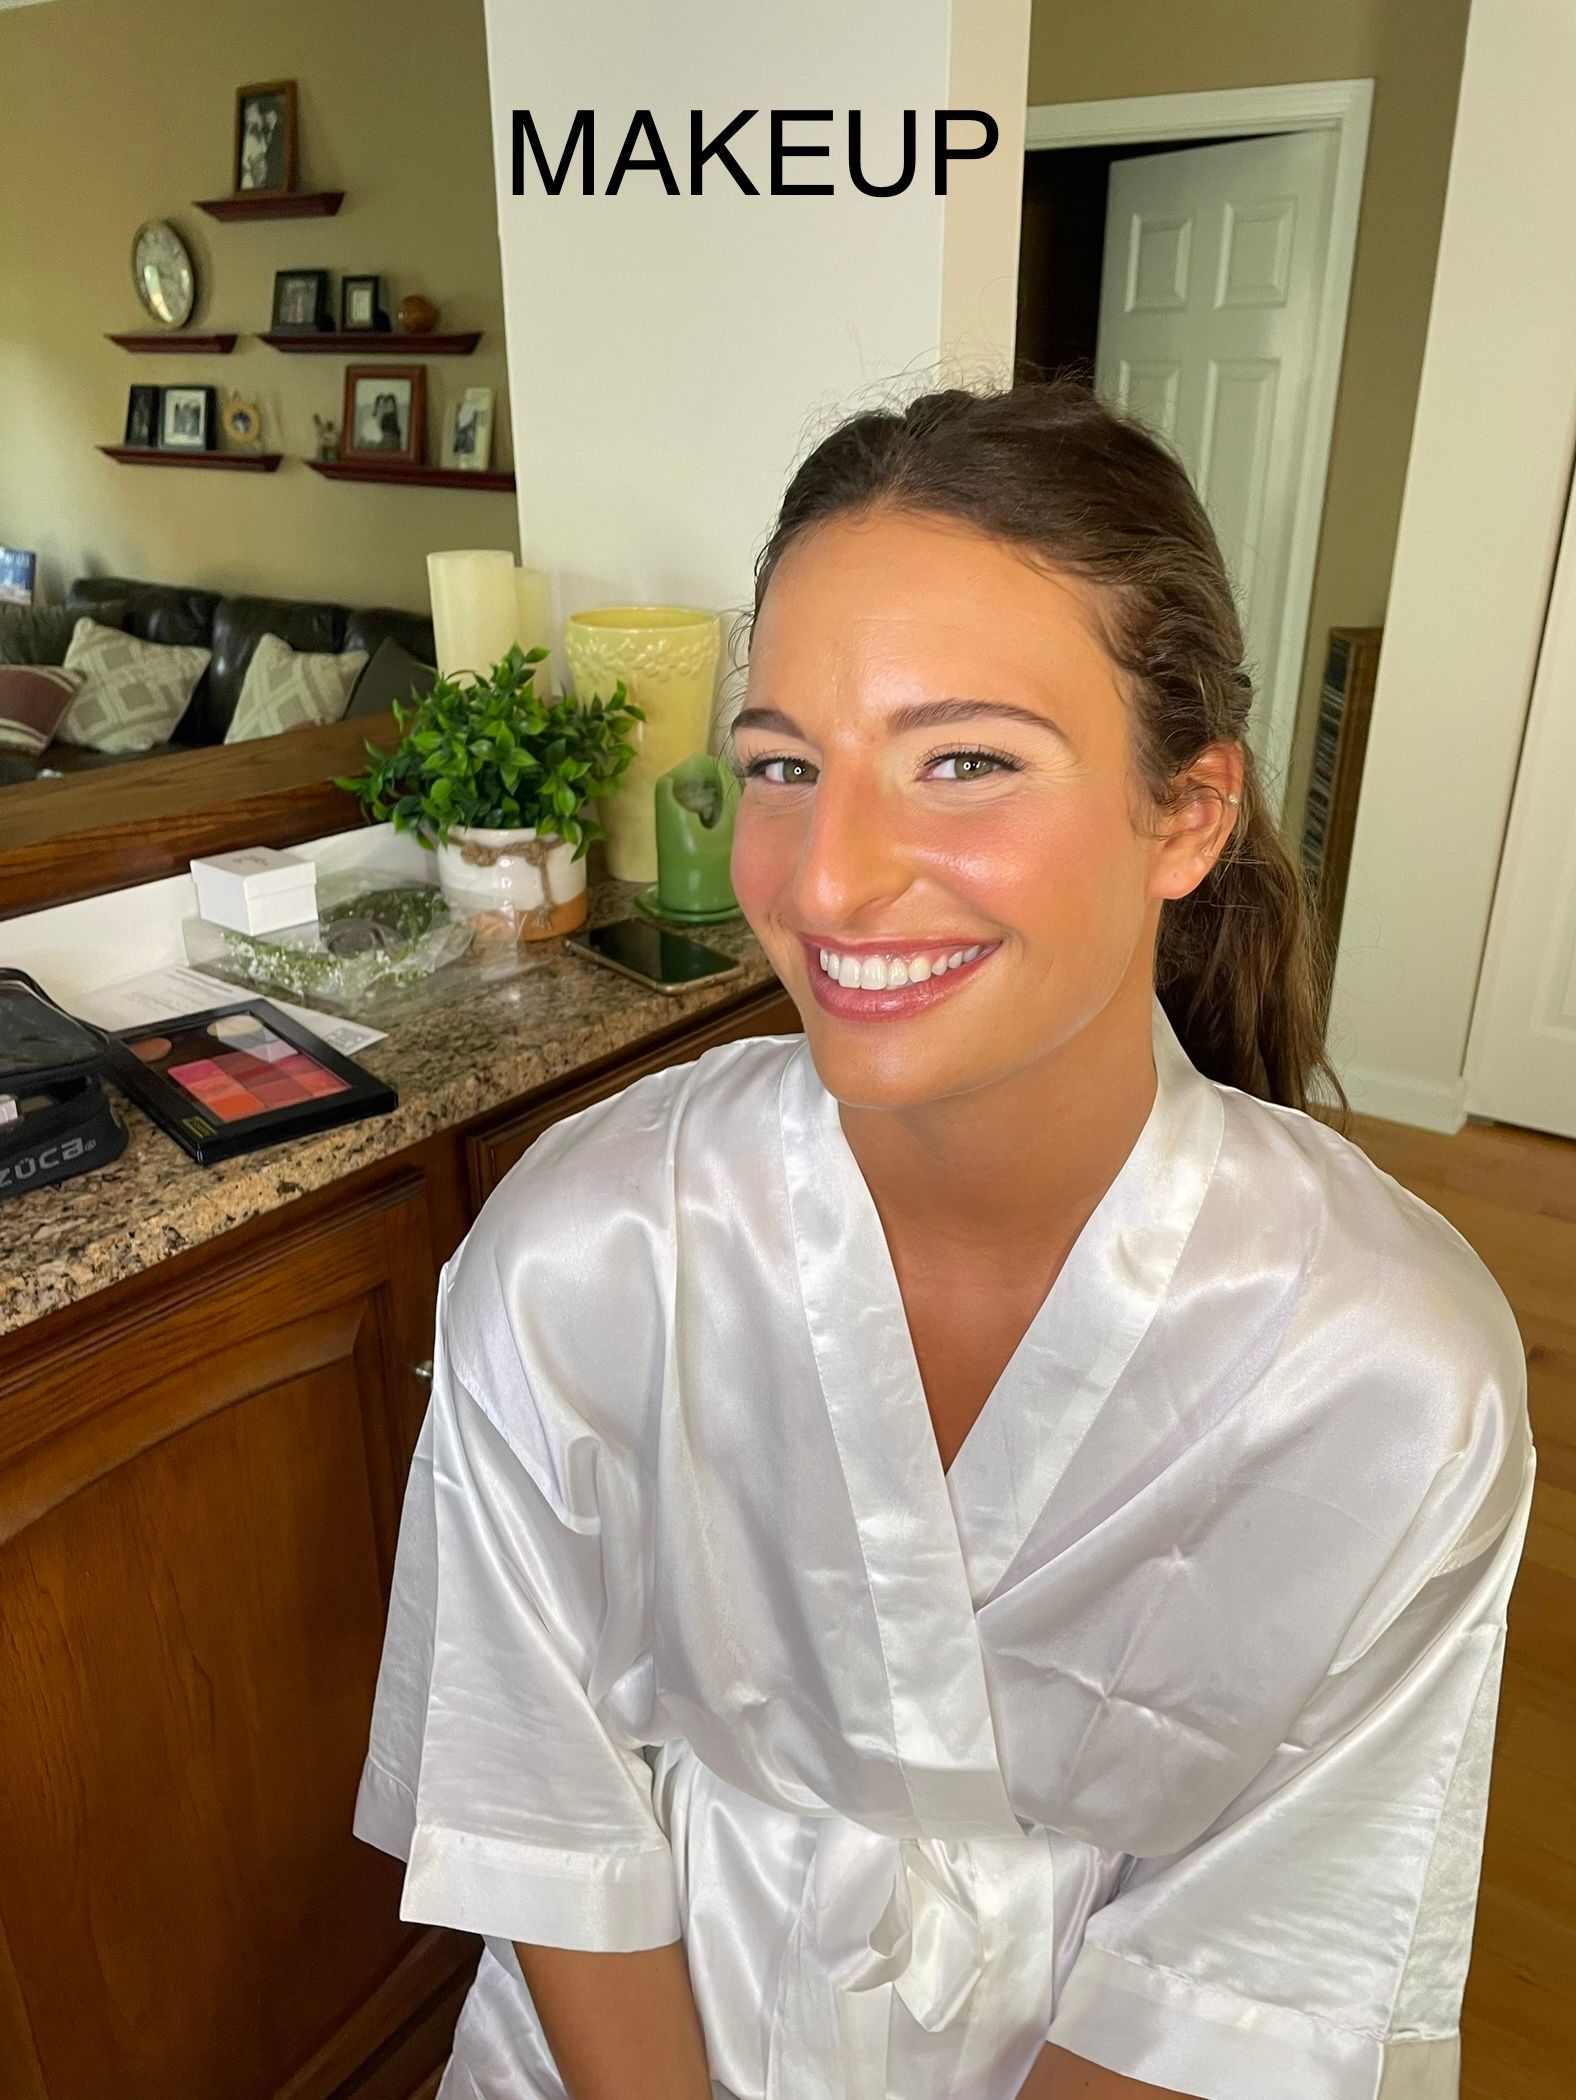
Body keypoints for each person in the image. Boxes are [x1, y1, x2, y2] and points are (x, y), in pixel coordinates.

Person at [353, 379, 1534, 2100]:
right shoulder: (583, 1257)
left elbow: (1252, 1966)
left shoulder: (1386, 1377)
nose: (828, 880)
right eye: (782, 766)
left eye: (964, 761)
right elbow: (547, 1794)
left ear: (1187, 813)